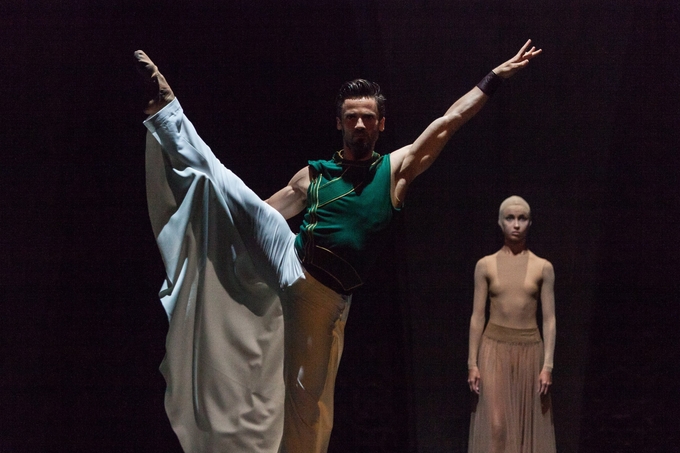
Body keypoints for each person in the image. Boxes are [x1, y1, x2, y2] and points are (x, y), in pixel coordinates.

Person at [137, 41, 541, 453]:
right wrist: (231, 237)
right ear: (339, 123)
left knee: (308, 403)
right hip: (290, 256)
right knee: (227, 188)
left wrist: (494, 78)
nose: (360, 125)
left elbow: (448, 122)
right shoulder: (314, 176)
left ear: (381, 124)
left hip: (321, 297)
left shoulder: (394, 171)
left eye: (368, 118)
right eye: (351, 118)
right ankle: (168, 113)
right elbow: (265, 210)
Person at [466, 196, 557, 453]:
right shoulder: (485, 265)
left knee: (525, 425)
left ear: (530, 223)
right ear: (500, 222)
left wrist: (547, 365)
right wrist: (472, 363)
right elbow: (477, 316)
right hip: (494, 349)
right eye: (510, 218)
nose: (516, 224)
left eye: (522, 218)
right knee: (496, 425)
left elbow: (549, 319)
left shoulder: (543, 267)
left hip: (530, 350)